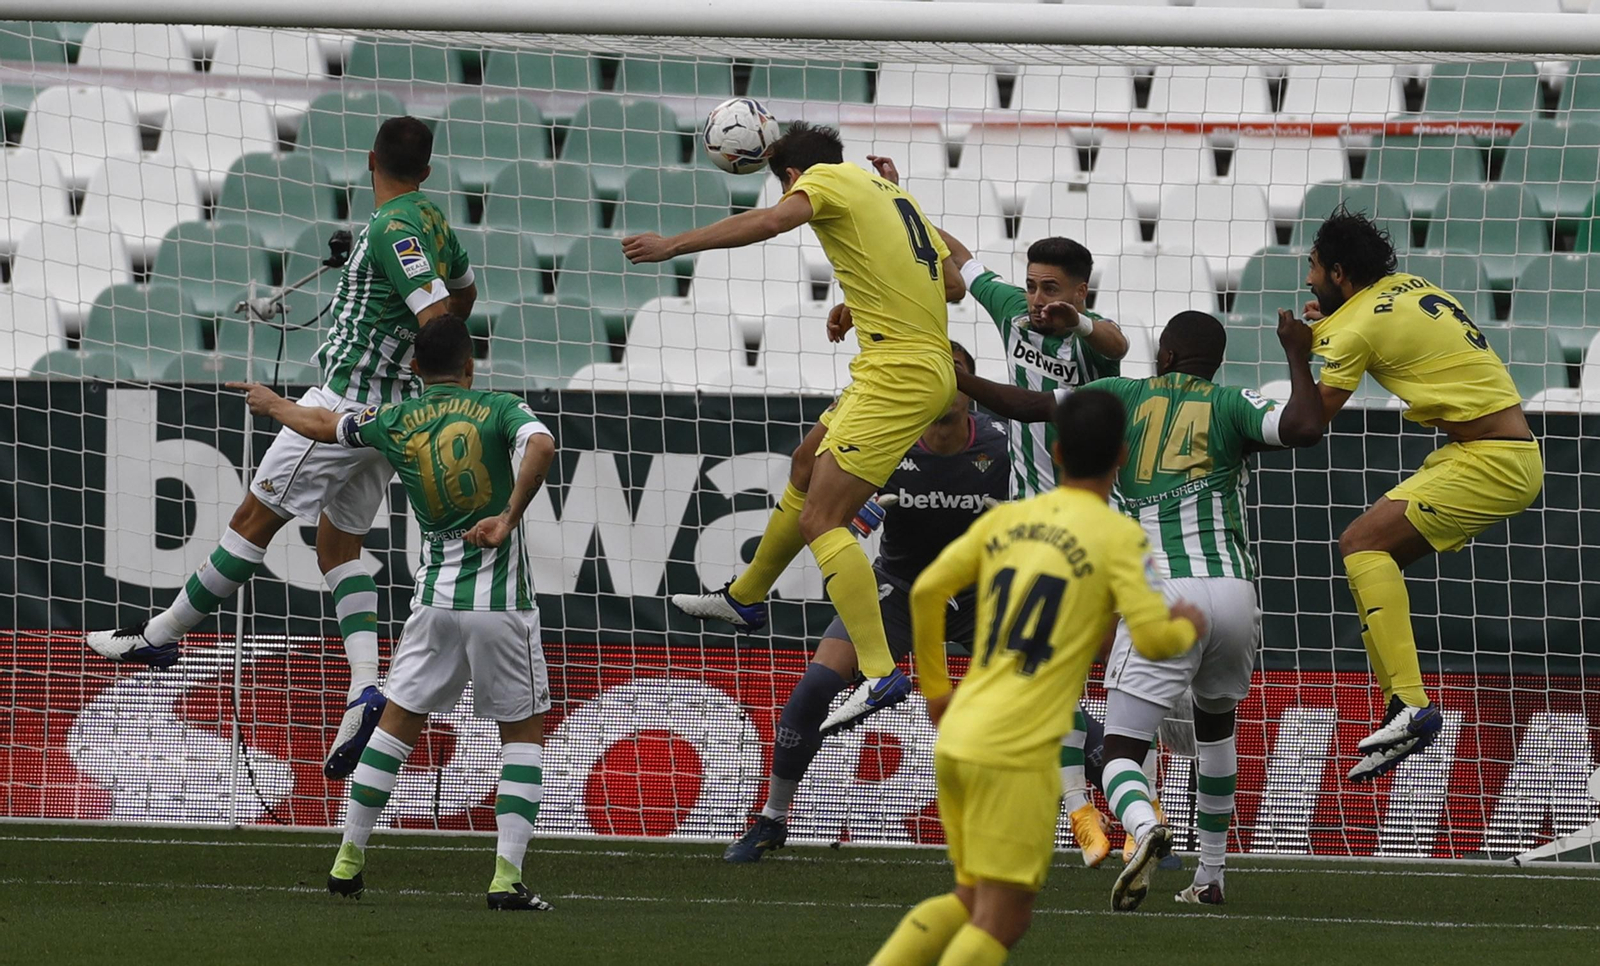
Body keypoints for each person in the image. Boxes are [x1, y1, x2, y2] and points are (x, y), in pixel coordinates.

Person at [87, 116, 477, 780]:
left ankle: (160, 637)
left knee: (252, 522)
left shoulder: (393, 229)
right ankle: (364, 688)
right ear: (429, 171)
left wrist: (399, 357)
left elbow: (438, 318)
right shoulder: (434, 221)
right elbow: (463, 295)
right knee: (338, 547)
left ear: (369, 159)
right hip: (386, 415)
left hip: (343, 402)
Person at [959, 310, 1325, 906]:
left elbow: (1025, 406)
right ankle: (1210, 878)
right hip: (1234, 593)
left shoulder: (1118, 394)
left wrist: (961, 378)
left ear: (1168, 357)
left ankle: (1143, 826)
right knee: (1215, 725)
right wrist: (1296, 352)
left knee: (1122, 752)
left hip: (1165, 594)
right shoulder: (1234, 403)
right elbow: (1308, 426)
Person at [627, 122, 964, 732]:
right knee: (806, 462)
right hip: (913, 362)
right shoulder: (890, 192)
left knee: (821, 520)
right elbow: (953, 283)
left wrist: (673, 246)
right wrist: (858, 300)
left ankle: (880, 670)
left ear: (791, 176)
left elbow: (772, 223)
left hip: (899, 372)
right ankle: (746, 597)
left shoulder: (825, 181)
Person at [858, 152, 1132, 868]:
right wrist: (897, 196)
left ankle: (1103, 813)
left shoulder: (1090, 343)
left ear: (1080, 289)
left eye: (1054, 289)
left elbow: (1119, 342)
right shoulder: (1010, 308)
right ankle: (1103, 819)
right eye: (1035, 286)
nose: (1041, 299)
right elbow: (959, 259)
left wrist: (1079, 323)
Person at [229, 316, 558, 911]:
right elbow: (542, 445)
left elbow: (325, 425)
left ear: (413, 371)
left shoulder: (397, 419)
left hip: (432, 602)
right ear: (469, 366)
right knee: (522, 733)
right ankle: (506, 880)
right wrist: (507, 516)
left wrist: (273, 403)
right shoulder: (499, 407)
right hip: (502, 605)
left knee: (398, 723)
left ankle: (347, 860)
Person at [869, 390, 1203, 966]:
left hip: (962, 729)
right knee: (1005, 917)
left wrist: (936, 694)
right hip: (1018, 748)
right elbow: (1150, 639)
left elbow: (925, 592)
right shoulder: (1121, 537)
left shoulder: (1009, 519)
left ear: (1055, 450)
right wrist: (1186, 628)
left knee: (969, 896)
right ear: (1122, 455)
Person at [1277, 205, 1543, 783]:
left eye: (1315, 266)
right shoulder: (1409, 287)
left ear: (1340, 272)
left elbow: (1310, 422)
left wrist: (1298, 349)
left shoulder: (1356, 327)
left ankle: (1413, 706)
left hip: (1494, 461)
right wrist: (1323, 330)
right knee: (1366, 548)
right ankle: (1403, 708)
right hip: (1490, 453)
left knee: (1362, 543)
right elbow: (1363, 325)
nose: (1308, 279)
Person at [724, 342, 1011, 863]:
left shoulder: (1003, 445)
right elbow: (832, 512)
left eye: (959, 370)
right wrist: (864, 516)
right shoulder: (887, 441)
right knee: (812, 689)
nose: (948, 379)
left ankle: (1136, 819)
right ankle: (771, 818)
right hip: (897, 590)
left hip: (979, 596)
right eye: (939, 369)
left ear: (972, 387)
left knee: (1056, 706)